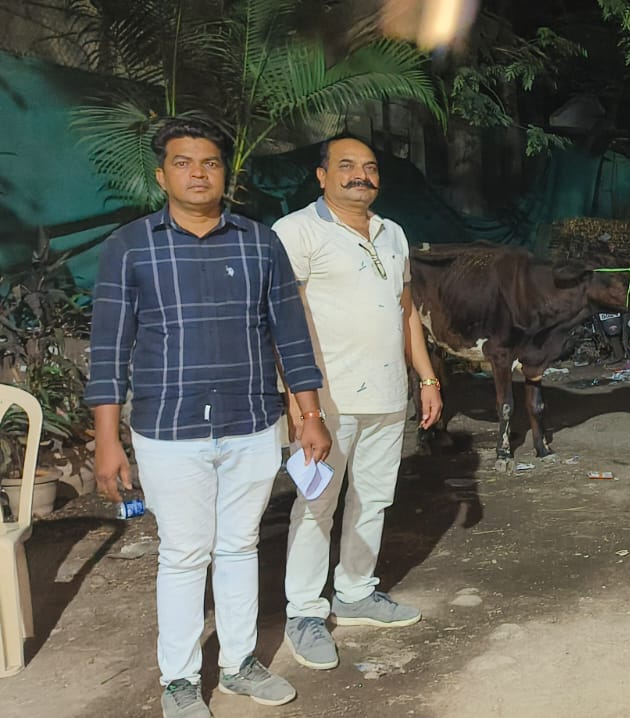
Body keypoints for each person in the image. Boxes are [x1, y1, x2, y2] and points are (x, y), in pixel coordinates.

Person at [86, 116, 331, 718]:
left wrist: (309, 413)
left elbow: (290, 336)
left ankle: (242, 663)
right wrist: (107, 441)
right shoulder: (130, 246)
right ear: (161, 173)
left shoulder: (258, 241)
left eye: (211, 162)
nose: (198, 173)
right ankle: (179, 679)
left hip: (251, 423)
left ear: (227, 172)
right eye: (183, 162)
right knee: (183, 553)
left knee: (242, 545)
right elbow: (109, 350)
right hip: (168, 431)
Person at [272, 135, 442, 671]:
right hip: (324, 401)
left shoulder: (393, 233)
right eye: (346, 167)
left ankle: (356, 590)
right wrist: (304, 410)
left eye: (369, 167)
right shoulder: (295, 232)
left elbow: (405, 309)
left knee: (373, 498)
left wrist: (428, 377)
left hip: (388, 396)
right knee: (315, 504)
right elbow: (284, 323)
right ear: (321, 175)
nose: (359, 176)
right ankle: (303, 612)